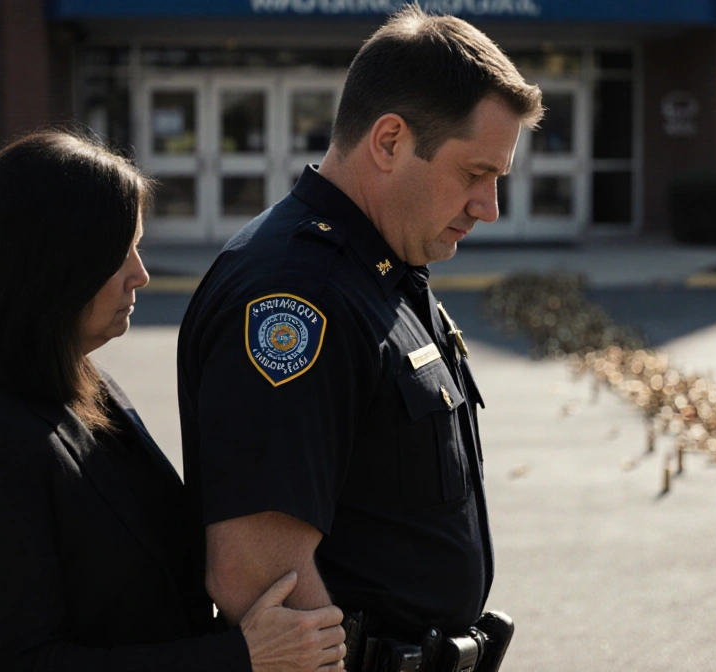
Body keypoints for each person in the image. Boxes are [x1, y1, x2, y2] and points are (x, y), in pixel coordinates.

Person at [177, 7, 543, 669]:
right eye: (474, 174)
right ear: (390, 142)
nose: (489, 207)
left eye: (498, 179)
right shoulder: (295, 291)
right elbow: (259, 573)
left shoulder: (382, 268)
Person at [0, 130, 346, 672]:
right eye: (120, 252)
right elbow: (18, 661)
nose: (139, 275)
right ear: (47, 266)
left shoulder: (81, 385)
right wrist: (240, 656)